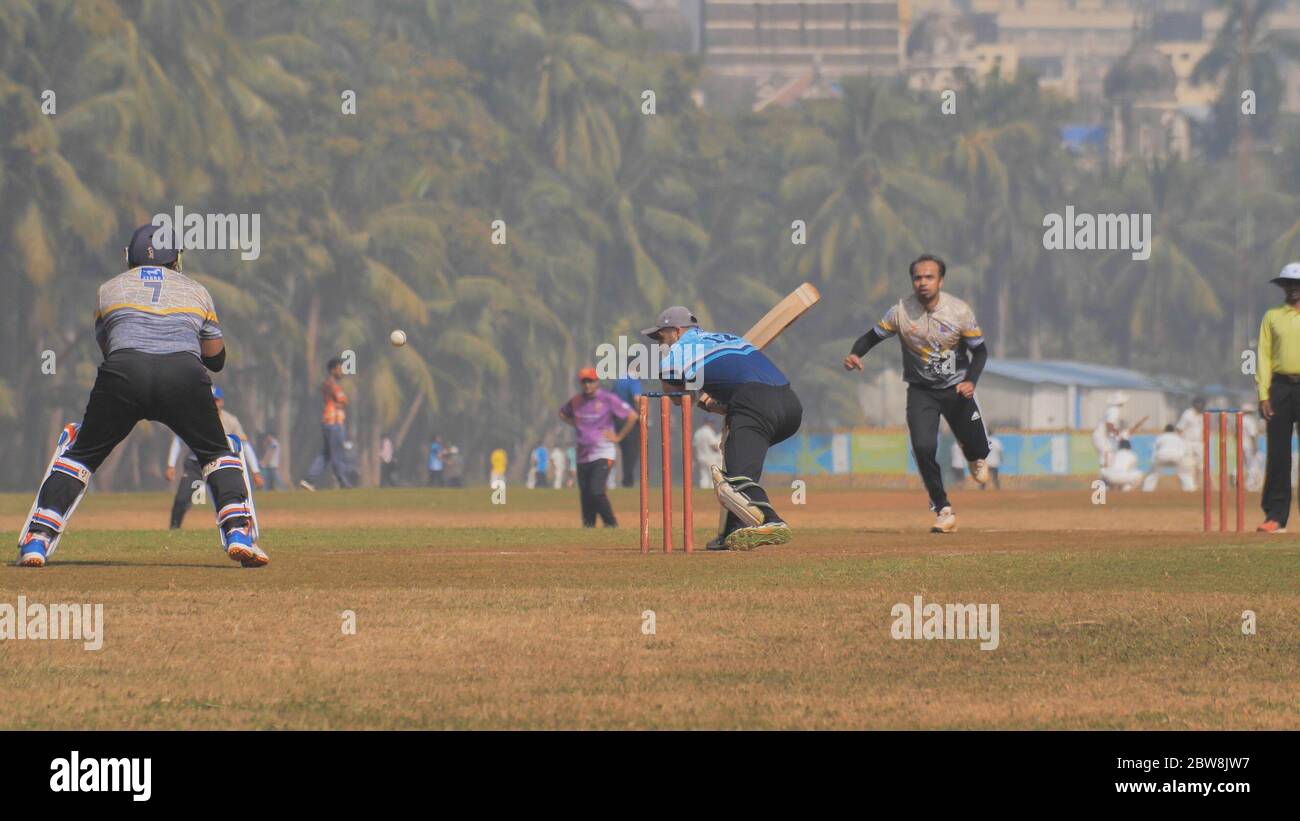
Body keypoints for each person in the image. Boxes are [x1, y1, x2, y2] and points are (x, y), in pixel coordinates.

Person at [16, 224, 266, 567]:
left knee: (81, 453)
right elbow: (216, 358)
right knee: (217, 452)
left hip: (124, 373)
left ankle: (38, 539)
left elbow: (109, 347)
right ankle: (238, 531)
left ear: (129, 256)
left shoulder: (108, 290)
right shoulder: (197, 291)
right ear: (175, 258)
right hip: (183, 375)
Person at [843, 254, 989, 533]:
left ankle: (974, 455)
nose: (922, 282)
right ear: (912, 281)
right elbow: (871, 337)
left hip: (958, 389)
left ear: (940, 281)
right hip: (922, 391)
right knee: (923, 448)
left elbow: (979, 350)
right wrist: (855, 354)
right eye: (917, 277)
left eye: (929, 277)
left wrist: (971, 381)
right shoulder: (899, 312)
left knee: (979, 449)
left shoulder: (959, 311)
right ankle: (943, 509)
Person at [647, 306, 802, 550]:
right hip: (790, 406)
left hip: (754, 403)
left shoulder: (678, 352)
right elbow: (737, 387)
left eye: (661, 336)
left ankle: (772, 522)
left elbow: (675, 394)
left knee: (732, 481)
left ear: (676, 331)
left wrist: (692, 394)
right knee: (739, 465)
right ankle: (733, 530)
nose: (659, 343)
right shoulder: (730, 338)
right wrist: (711, 403)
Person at [167, 385, 263, 528]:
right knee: (181, 499)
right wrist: (170, 465)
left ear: (221, 402)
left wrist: (256, 471)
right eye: (210, 400)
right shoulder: (193, 418)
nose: (213, 403)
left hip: (220, 465)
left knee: (229, 499)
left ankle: (236, 527)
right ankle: (174, 528)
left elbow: (245, 446)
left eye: (216, 400)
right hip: (195, 465)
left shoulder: (231, 421)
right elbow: (178, 441)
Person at [559, 367, 639, 527]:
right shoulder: (576, 401)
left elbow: (632, 415)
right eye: (584, 382)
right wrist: (576, 424)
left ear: (597, 382)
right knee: (586, 494)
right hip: (582, 454)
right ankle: (588, 526)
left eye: (590, 381)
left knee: (596, 491)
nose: (587, 385)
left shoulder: (608, 399)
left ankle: (611, 524)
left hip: (603, 453)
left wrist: (618, 437)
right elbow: (562, 413)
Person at [1256, 262, 1300, 533]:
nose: (1294, 289)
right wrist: (1264, 394)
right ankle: (1275, 515)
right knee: (1278, 454)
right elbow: (1263, 356)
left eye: (1298, 285)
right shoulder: (1272, 316)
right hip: (1281, 387)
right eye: (1289, 284)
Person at [300, 357, 352, 490]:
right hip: (334, 422)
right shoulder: (332, 384)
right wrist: (343, 401)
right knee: (337, 454)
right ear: (332, 370)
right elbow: (343, 400)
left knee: (326, 454)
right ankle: (343, 482)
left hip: (328, 421)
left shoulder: (327, 383)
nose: (342, 372)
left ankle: (309, 479)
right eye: (340, 369)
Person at [612, 376, 643, 487]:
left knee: (624, 451)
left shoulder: (618, 381)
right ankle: (627, 481)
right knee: (631, 452)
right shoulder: (633, 380)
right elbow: (637, 398)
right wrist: (642, 415)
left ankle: (624, 480)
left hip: (617, 420)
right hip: (631, 420)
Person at [1143, 424, 1188, 492]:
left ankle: (1147, 490)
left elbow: (1155, 449)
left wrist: (1153, 462)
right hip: (1176, 456)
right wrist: (1181, 458)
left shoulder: (1161, 437)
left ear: (1165, 430)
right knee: (1184, 473)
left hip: (1162, 456)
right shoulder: (1178, 437)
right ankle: (1190, 489)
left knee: (1153, 474)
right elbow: (1183, 449)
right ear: (1174, 430)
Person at [1174, 396, 1206, 491]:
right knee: (1188, 465)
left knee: (1201, 465)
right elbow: (1180, 428)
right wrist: (1178, 442)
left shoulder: (1204, 415)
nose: (1200, 406)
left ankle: (1199, 484)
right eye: (1198, 404)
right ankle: (1190, 487)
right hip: (1187, 442)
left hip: (1200, 443)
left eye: (1202, 404)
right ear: (1194, 404)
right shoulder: (1188, 413)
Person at [692, 419, 724, 488]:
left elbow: (694, 447)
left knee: (704, 476)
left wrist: (694, 458)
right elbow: (712, 445)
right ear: (709, 423)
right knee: (713, 477)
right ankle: (712, 491)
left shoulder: (698, 432)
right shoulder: (708, 431)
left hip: (700, 457)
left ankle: (704, 491)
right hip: (710, 457)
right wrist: (719, 451)